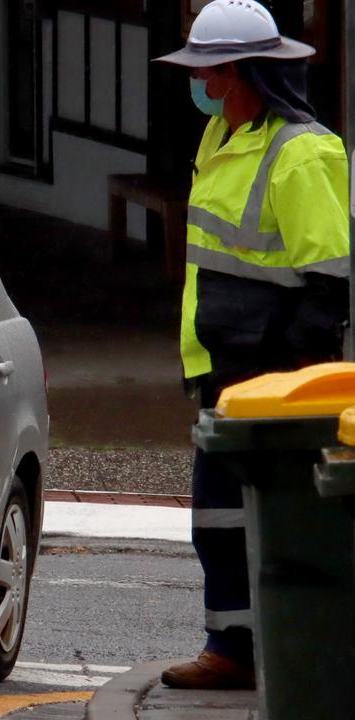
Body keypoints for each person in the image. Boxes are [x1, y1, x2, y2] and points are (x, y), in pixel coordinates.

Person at [154, 0, 350, 690]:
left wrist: (282, 366)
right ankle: (234, 645)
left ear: (238, 73)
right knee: (217, 519)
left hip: (268, 377)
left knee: (251, 519)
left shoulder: (301, 152)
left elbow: (328, 282)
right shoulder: (223, 138)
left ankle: (242, 651)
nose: (198, 84)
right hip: (224, 366)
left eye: (206, 72)